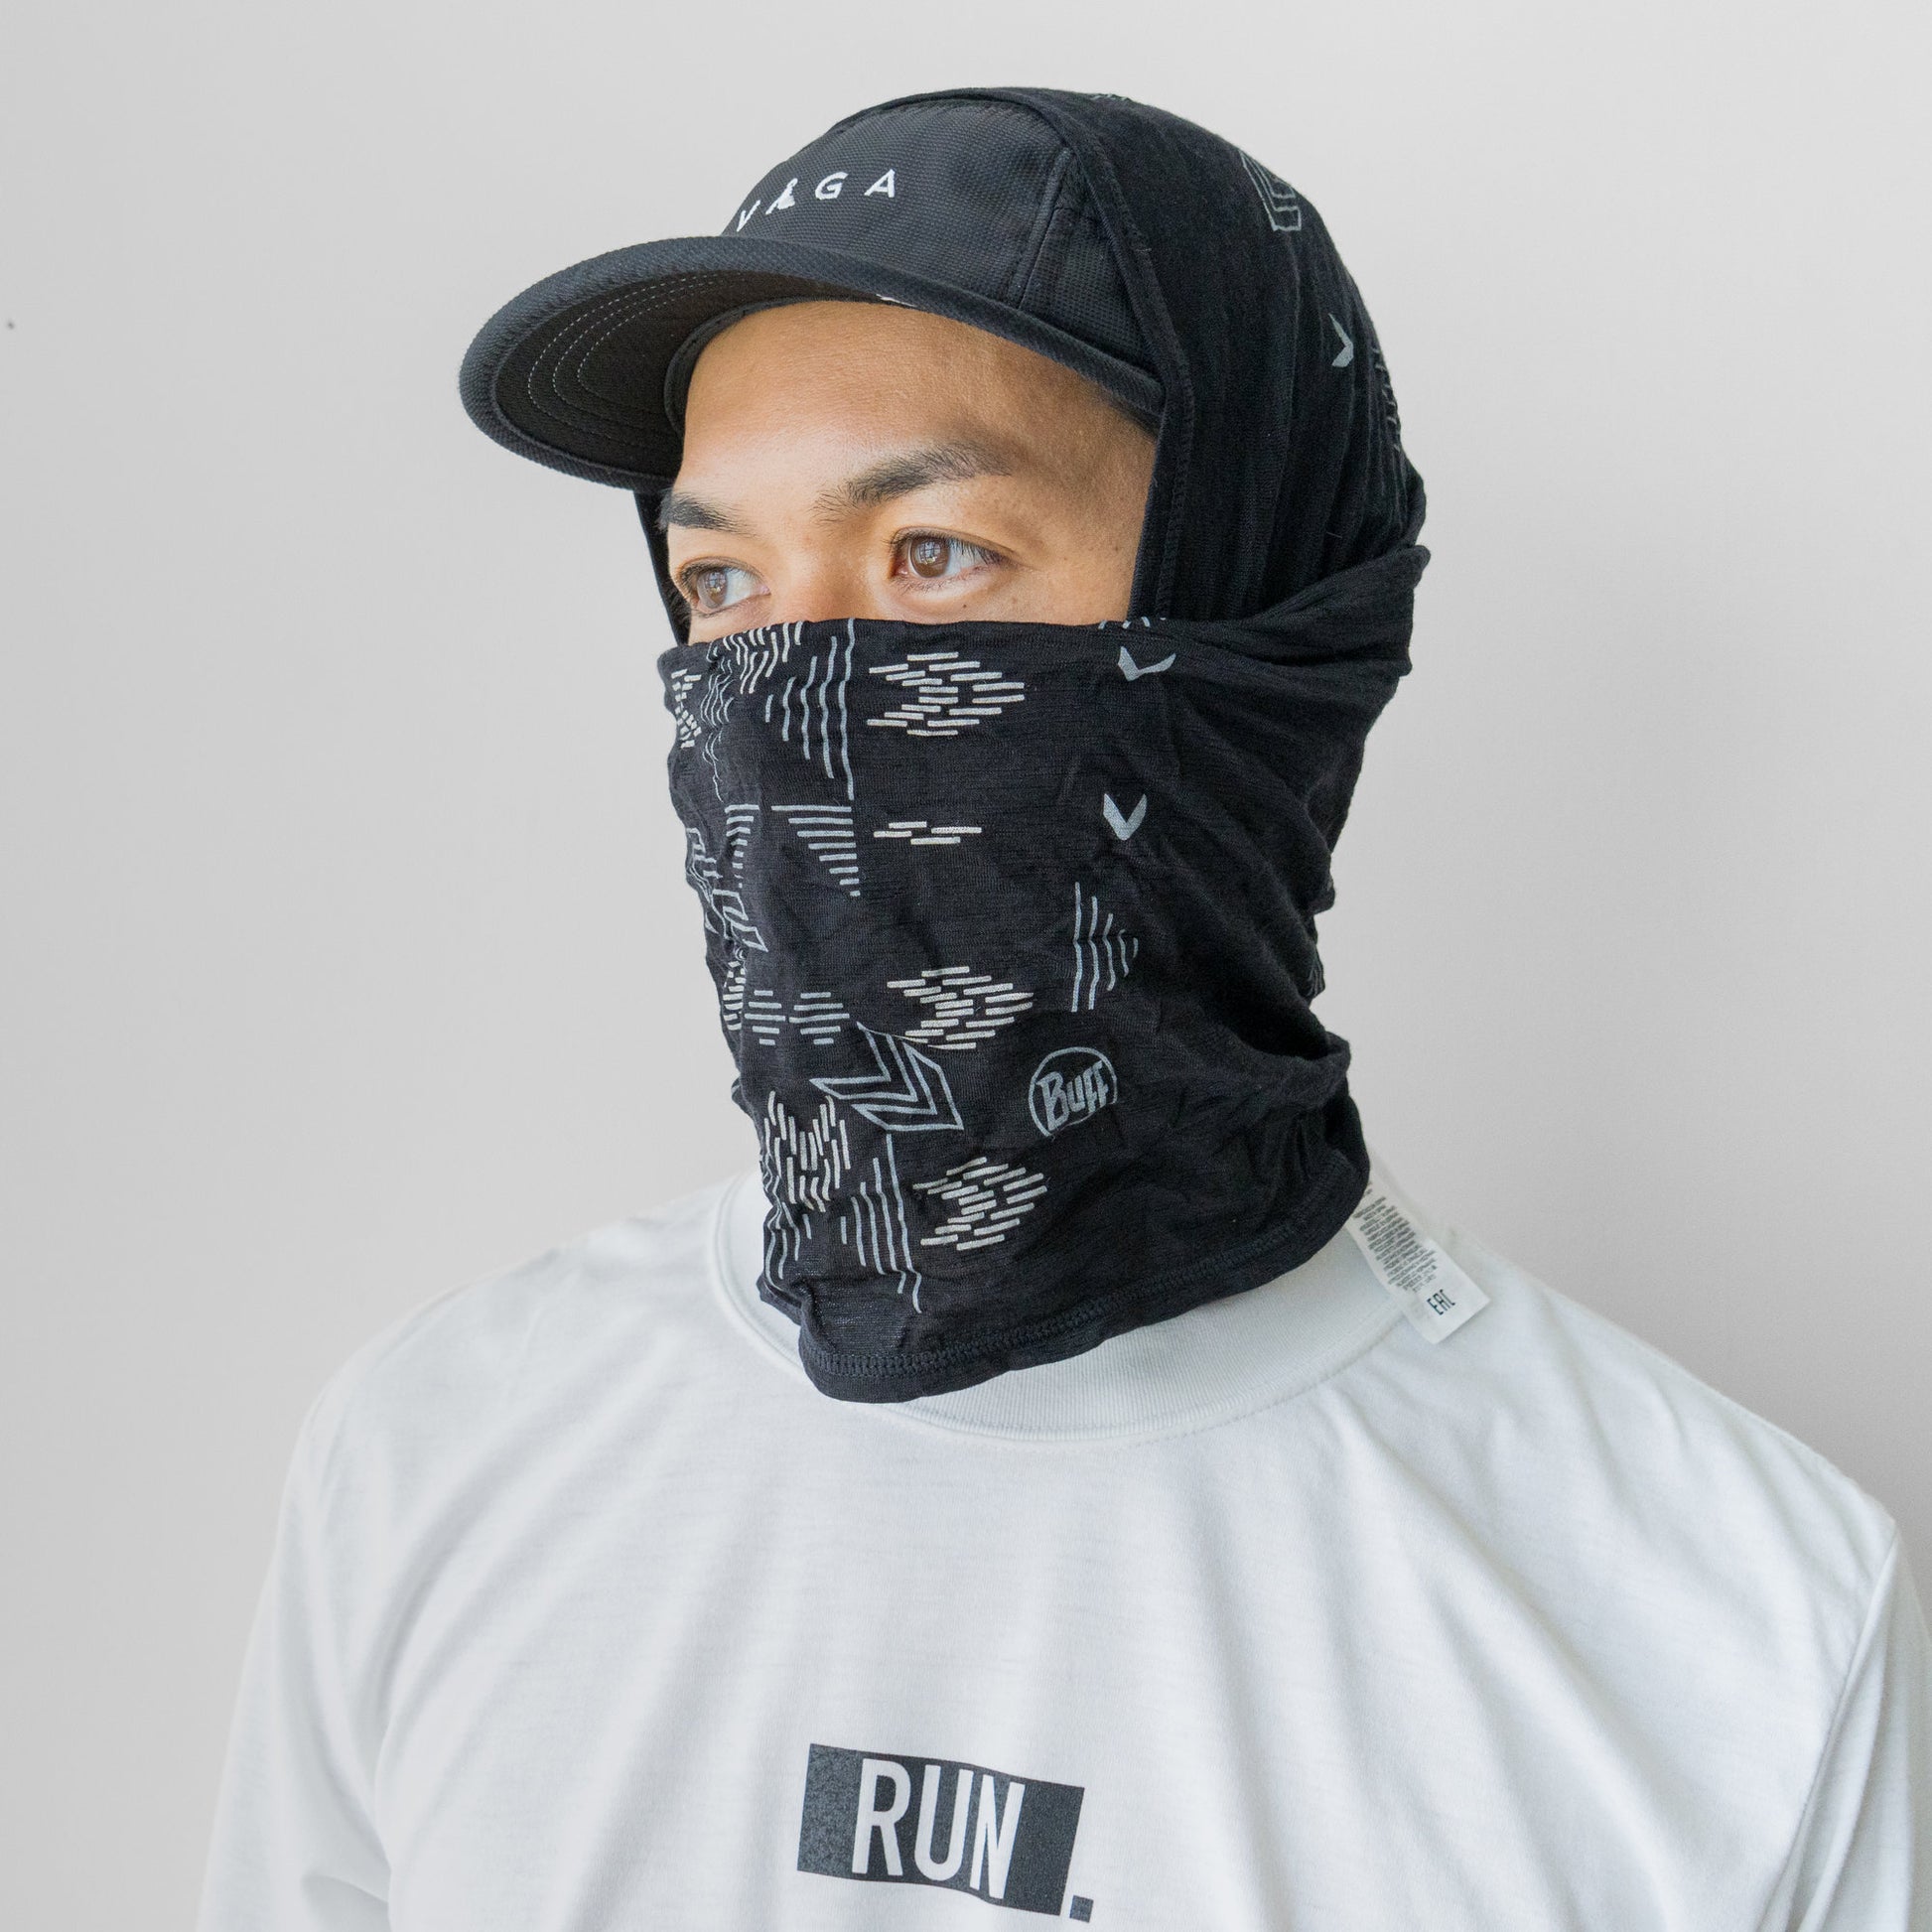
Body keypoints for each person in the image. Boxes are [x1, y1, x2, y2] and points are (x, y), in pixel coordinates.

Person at [197, 87, 1930, 1929]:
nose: (785, 693)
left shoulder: (1729, 1625)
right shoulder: (437, 1458)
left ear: (1268, 621)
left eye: (934, 552)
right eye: (721, 580)